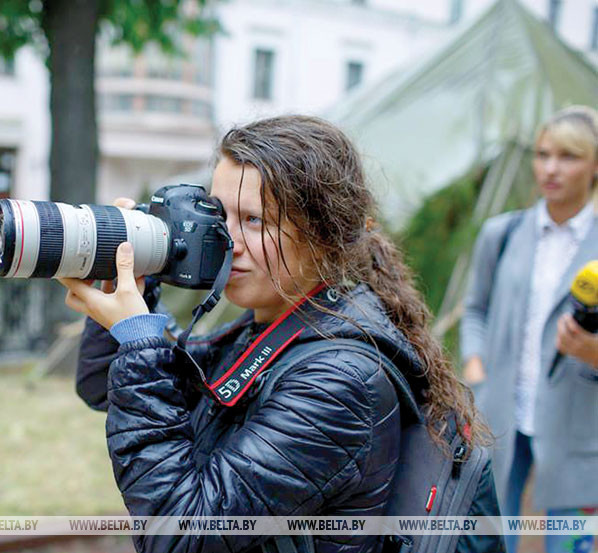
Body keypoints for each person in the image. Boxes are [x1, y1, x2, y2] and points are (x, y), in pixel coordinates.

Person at [62, 115, 499, 553]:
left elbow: (180, 536)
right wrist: (136, 285)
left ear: (323, 234)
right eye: (219, 215)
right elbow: (103, 385)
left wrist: (140, 339)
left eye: (253, 220)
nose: (226, 241)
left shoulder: (339, 381)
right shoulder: (271, 329)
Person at [461, 105, 598, 553]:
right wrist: (476, 368)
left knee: (572, 543)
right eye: (543, 154)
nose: (551, 168)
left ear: (594, 165)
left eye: (568, 156)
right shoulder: (502, 233)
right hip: (502, 409)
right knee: (489, 535)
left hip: (580, 423)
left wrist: (592, 352)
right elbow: (475, 309)